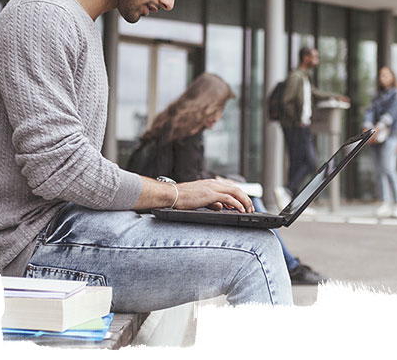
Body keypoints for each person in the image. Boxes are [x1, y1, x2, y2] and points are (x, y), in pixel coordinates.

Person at [0, 0, 292, 312]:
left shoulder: (79, 24)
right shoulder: (41, 15)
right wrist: (174, 195)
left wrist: (180, 204)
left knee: (253, 236)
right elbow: (59, 169)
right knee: (255, 255)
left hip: (69, 231)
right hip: (33, 252)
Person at [127, 72, 326, 285]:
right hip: (168, 205)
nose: (219, 116)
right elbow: (188, 179)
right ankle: (293, 268)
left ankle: (292, 266)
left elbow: (184, 172)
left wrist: (217, 178)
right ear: (209, 104)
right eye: (220, 109)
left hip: (162, 198)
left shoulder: (174, 121)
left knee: (244, 193)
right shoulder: (188, 130)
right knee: (248, 204)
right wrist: (219, 182)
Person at [281, 47, 349, 197]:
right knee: (310, 162)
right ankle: (287, 190)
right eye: (315, 57)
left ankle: (290, 197)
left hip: (302, 125)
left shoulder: (305, 77)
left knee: (297, 162)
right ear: (306, 58)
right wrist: (297, 121)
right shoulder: (296, 77)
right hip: (297, 126)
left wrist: (335, 96)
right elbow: (287, 101)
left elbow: (315, 93)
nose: (317, 60)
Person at [362, 66, 397, 218]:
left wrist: (376, 128)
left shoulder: (396, 94)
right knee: (379, 171)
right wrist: (367, 127)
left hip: (390, 135)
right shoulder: (376, 96)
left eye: (386, 75)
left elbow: (391, 114)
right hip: (375, 137)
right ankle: (384, 203)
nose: (382, 78)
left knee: (389, 169)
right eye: (380, 75)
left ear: (392, 77)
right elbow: (369, 112)